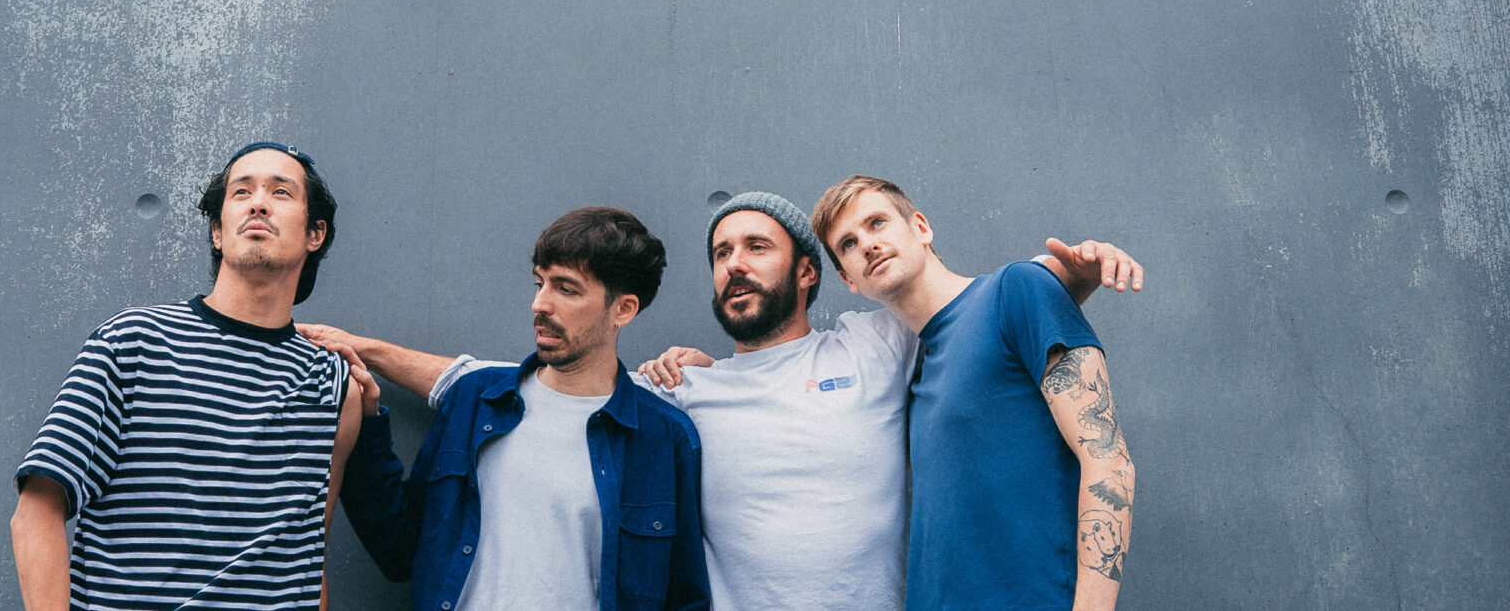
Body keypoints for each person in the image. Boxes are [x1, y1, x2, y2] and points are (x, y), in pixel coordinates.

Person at [426, 192, 1140, 610]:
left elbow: (964, 306)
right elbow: (525, 378)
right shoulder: (680, 393)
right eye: (721, 253)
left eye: (755, 246)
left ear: (808, 273)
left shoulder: (873, 343)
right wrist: (370, 352)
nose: (734, 263)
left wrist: (1059, 278)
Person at [9, 142, 364, 610]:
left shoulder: (333, 385)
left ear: (315, 233)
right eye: (242, 192)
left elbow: (307, 559)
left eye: (281, 192)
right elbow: (36, 512)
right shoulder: (131, 342)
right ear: (217, 231)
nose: (258, 203)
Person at [312, 207, 710, 611]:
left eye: (566, 289)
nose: (540, 304)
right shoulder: (474, 399)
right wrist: (367, 424)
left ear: (623, 309)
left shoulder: (664, 436)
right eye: (540, 283)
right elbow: (399, 551)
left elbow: (685, 598)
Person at [811, 175, 1135, 610]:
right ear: (848, 279)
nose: (867, 245)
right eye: (848, 244)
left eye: (877, 223)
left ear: (921, 228)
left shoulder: (1016, 289)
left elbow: (1108, 459)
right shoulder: (911, 370)